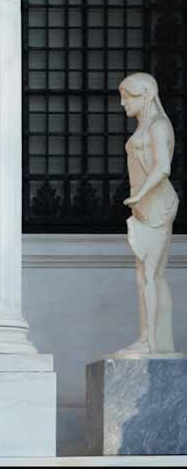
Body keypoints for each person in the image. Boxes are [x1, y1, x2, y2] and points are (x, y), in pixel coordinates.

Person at [115, 72, 180, 355]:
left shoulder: (158, 126)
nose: (123, 103)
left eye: (127, 97)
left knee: (149, 275)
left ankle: (149, 342)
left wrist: (140, 195)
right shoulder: (148, 126)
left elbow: (163, 166)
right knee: (148, 275)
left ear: (146, 96)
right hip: (146, 206)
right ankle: (156, 342)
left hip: (156, 205)